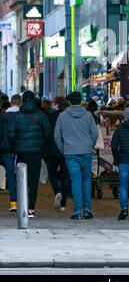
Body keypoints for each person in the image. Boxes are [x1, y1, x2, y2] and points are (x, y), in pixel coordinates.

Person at [54, 91, 98, 220]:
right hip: (86, 151)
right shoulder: (88, 115)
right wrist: (90, 144)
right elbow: (95, 133)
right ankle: (87, 209)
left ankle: (77, 210)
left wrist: (63, 148)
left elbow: (57, 135)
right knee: (86, 179)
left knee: (75, 180)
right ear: (80, 101)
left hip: (70, 152)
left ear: (69, 101)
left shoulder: (62, 116)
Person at [9, 90, 52, 218]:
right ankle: (31, 209)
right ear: (33, 100)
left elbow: (11, 135)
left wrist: (16, 146)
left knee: (21, 180)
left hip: (21, 152)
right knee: (33, 181)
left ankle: (22, 206)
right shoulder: (41, 115)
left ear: (23, 100)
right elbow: (48, 133)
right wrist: (41, 145)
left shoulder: (16, 116)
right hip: (36, 153)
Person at [44, 96, 70, 212]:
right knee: (66, 176)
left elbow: (48, 133)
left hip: (53, 149)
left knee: (52, 173)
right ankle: (63, 203)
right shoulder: (69, 117)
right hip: (67, 149)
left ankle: (57, 191)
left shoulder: (51, 116)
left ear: (57, 104)